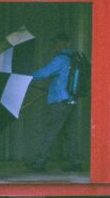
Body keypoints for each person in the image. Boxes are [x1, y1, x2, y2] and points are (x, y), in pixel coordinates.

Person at [28, 33, 82, 172]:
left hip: (59, 102)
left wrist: (26, 77)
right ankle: (75, 162)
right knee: (70, 133)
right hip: (70, 101)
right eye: (55, 43)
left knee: (49, 132)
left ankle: (39, 162)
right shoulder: (73, 58)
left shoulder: (60, 59)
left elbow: (45, 73)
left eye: (57, 43)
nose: (55, 46)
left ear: (65, 43)